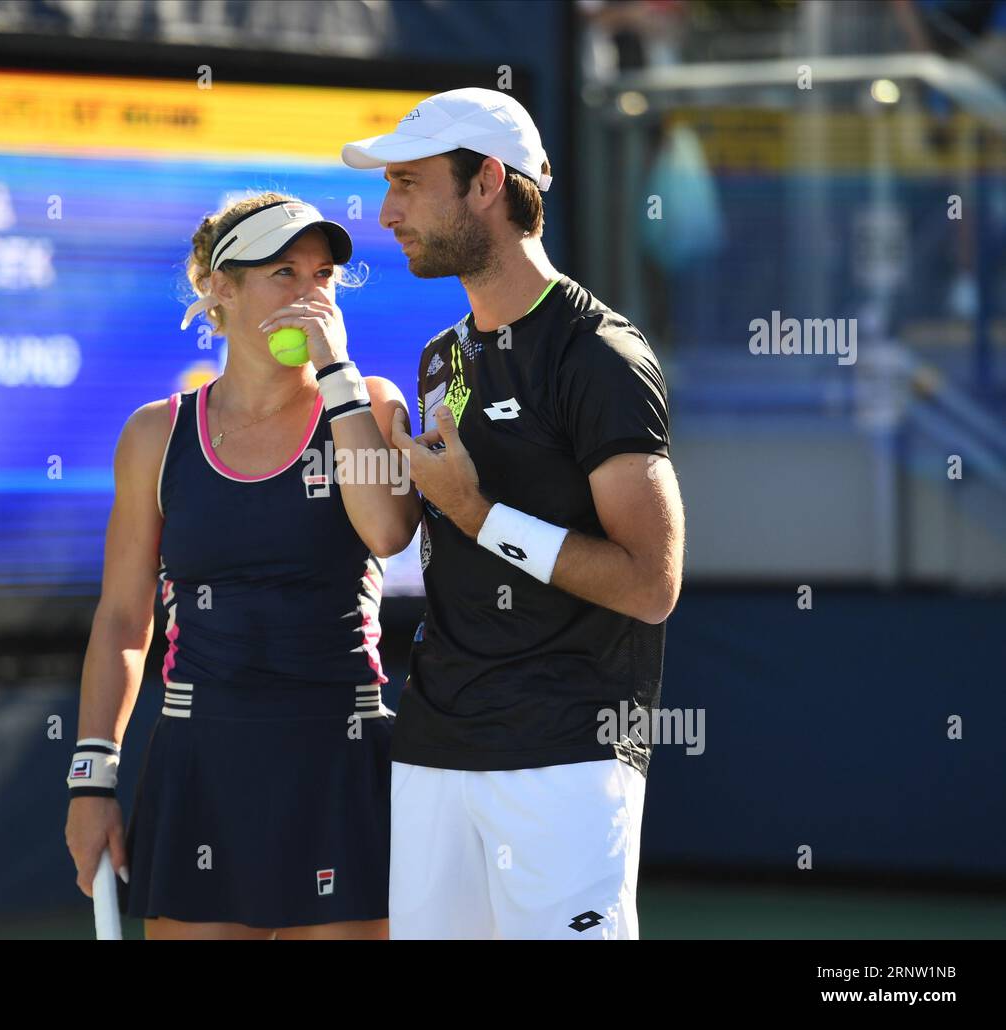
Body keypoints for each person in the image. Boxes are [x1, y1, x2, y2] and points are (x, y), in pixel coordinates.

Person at [341, 88, 685, 939]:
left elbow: (651, 584)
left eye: (409, 184)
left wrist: (478, 512)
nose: (387, 213)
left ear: (488, 182)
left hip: (567, 753)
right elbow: (399, 534)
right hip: (433, 747)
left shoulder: (601, 355)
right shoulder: (439, 358)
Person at [63, 193, 420, 940]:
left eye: (321, 275)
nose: (308, 295)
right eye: (282, 273)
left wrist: (339, 373)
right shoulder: (155, 435)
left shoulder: (370, 402)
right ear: (221, 289)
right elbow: (125, 620)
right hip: (203, 764)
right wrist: (92, 781)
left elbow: (388, 533)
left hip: (342, 760)